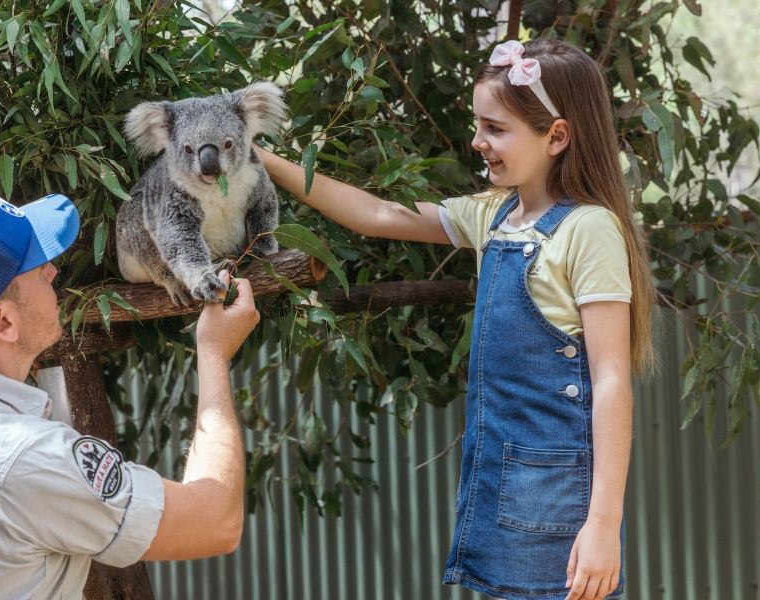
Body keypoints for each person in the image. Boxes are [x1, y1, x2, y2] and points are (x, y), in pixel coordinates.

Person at [256, 38, 655, 600]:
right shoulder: (495, 214)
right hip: (498, 482)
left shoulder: (588, 230)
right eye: (477, 124)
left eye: (495, 128)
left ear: (557, 136)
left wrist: (604, 524)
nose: (477, 141)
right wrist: (264, 160)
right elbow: (378, 214)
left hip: (556, 500)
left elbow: (612, 380)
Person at [0, 186, 260, 599]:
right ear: (4, 323)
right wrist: (213, 353)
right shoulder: (24, 459)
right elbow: (215, 520)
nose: (54, 270)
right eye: (37, 268)